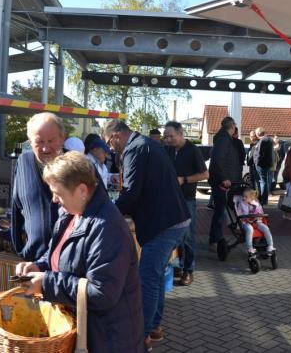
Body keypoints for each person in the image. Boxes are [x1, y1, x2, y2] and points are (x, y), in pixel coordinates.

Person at [16, 152, 145, 353]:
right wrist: (38, 266)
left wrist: (46, 282)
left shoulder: (108, 227)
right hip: (88, 332)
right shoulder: (70, 212)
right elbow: (57, 253)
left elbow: (102, 294)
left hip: (108, 339)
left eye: (57, 193)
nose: (54, 199)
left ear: (82, 190)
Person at [103, 119, 190, 349]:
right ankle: (154, 327)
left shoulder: (135, 149)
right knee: (157, 276)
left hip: (164, 224)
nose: (110, 149)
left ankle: (141, 335)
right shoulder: (145, 145)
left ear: (116, 136)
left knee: (148, 279)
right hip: (173, 220)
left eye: (109, 143)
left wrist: (106, 213)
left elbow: (130, 193)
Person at [10, 113, 67, 261]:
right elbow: (16, 207)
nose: (45, 148)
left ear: (62, 138)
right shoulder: (23, 163)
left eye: (51, 140)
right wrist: (20, 250)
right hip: (33, 260)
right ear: (30, 142)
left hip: (68, 265)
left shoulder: (77, 166)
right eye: (39, 142)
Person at [163, 121, 208, 287]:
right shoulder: (167, 149)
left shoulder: (193, 150)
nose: (167, 139)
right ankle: (177, 266)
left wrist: (185, 179)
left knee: (187, 235)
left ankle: (188, 270)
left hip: (187, 199)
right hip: (169, 199)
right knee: (171, 234)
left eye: (170, 136)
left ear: (181, 134)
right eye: (165, 136)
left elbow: (205, 174)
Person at [208, 117, 246, 250]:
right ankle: (215, 240)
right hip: (223, 183)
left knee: (228, 209)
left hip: (229, 182)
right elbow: (218, 160)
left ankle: (233, 232)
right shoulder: (224, 140)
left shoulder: (226, 140)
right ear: (232, 127)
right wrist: (224, 177)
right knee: (220, 211)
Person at [235, 188, 275, 255]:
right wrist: (246, 219)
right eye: (243, 196)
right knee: (250, 229)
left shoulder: (256, 204)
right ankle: (250, 247)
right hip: (245, 222)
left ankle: (270, 245)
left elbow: (261, 212)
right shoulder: (241, 204)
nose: (244, 198)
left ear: (252, 197)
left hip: (257, 221)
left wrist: (258, 217)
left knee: (266, 228)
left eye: (246, 197)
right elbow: (239, 214)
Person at [253, 127, 274, 206]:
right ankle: (264, 199)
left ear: (258, 133)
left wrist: (257, 162)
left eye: (256, 133)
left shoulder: (263, 140)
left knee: (263, 182)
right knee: (264, 181)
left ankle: (263, 200)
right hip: (265, 164)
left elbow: (260, 153)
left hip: (261, 164)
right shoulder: (268, 139)